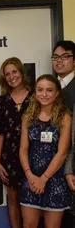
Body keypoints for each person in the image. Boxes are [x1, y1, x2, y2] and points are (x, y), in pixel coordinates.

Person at [20, 74, 71, 228]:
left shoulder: (64, 117)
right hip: (31, 179)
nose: (44, 94)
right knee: (28, 225)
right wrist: (30, 175)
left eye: (49, 90)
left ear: (57, 93)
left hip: (55, 181)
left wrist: (44, 179)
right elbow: (23, 149)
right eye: (40, 90)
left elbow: (62, 153)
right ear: (35, 93)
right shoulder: (28, 117)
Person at [0, 57, 32, 228]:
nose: (11, 76)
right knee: (13, 198)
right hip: (10, 158)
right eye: (7, 74)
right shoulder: (2, 101)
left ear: (21, 72)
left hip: (33, 156)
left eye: (14, 71)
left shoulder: (36, 97)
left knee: (32, 200)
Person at [52, 40, 75, 227]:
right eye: (56, 57)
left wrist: (69, 168)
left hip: (70, 163)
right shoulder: (52, 87)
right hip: (51, 160)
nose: (59, 61)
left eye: (65, 56)